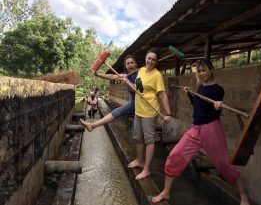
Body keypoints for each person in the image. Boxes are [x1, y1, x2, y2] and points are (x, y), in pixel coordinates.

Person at [152, 58, 250, 205]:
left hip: (212, 129)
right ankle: (166, 192)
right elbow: (198, 106)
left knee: (224, 164)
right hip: (195, 129)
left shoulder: (218, 89)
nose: (202, 73)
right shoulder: (200, 88)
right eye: (199, 71)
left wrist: (218, 105)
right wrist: (190, 95)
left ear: (211, 70)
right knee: (174, 155)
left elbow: (214, 109)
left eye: (204, 70)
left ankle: (243, 196)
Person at [127, 47, 172, 180]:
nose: (150, 61)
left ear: (156, 61)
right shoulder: (140, 70)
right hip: (138, 110)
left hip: (149, 112)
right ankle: (139, 160)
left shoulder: (157, 75)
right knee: (137, 137)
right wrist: (127, 81)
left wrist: (168, 113)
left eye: (153, 59)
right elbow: (137, 89)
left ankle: (146, 169)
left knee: (149, 140)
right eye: (149, 58)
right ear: (146, 58)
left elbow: (163, 96)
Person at [80, 55, 138, 131]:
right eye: (128, 63)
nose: (130, 64)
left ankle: (92, 126)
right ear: (126, 66)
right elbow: (112, 76)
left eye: (132, 62)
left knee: (117, 112)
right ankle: (92, 125)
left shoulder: (140, 74)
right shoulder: (126, 75)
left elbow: (135, 89)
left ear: (136, 64)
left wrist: (127, 81)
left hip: (140, 103)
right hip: (134, 103)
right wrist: (98, 74)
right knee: (116, 112)